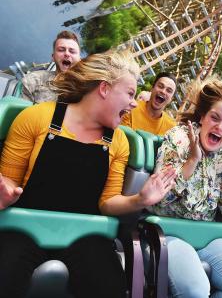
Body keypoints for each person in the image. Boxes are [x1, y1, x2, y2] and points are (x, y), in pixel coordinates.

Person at [0, 50, 176, 298]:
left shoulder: (119, 142)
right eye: (129, 93)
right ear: (104, 89)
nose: (135, 103)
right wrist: (4, 196)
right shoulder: (35, 118)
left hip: (84, 236)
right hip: (24, 230)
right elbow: (8, 182)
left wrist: (140, 200)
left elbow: (106, 202)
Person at [148, 77, 222, 297]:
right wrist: (191, 161)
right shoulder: (179, 138)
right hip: (170, 232)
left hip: (207, 237)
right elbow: (160, 198)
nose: (220, 128)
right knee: (195, 291)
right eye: (215, 118)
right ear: (202, 116)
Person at [21, 30, 81, 103]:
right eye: (61, 50)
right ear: (53, 57)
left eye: (72, 51)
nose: (67, 54)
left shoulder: (89, 88)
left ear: (80, 59)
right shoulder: (33, 81)